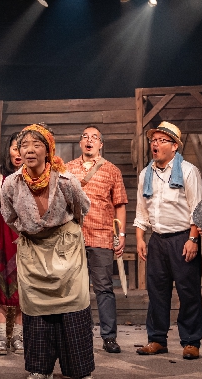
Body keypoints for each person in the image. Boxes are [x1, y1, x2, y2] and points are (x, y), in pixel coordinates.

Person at [0, 123, 94, 379]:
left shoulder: (66, 181)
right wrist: (31, 234)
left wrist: (65, 235)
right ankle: (40, 369)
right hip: (33, 252)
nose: (29, 150)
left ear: (48, 150)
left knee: (73, 308)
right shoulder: (11, 184)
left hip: (66, 251)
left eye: (36, 145)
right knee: (36, 311)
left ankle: (78, 370)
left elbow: (82, 208)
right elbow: (9, 216)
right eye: (24, 145)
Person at [134, 121, 202, 360]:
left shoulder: (188, 171)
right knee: (157, 292)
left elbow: (197, 209)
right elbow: (142, 210)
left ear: (174, 146)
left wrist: (193, 239)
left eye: (161, 140)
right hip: (157, 240)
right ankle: (157, 339)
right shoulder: (146, 174)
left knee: (188, 292)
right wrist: (140, 238)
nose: (155, 144)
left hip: (182, 238)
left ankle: (191, 341)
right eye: (153, 140)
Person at [65, 126, 127, 354]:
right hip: (73, 237)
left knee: (104, 288)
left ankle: (109, 337)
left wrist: (121, 235)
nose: (89, 140)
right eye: (85, 137)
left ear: (101, 144)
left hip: (101, 236)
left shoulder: (112, 170)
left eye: (94, 138)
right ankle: (78, 335)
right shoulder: (68, 169)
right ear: (80, 143)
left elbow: (120, 205)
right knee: (75, 289)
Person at [0, 133, 24, 355]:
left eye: (22, 148)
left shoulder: (32, 174)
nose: (18, 153)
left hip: (24, 238)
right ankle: (1, 337)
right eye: (15, 148)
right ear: (8, 149)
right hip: (1, 235)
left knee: (23, 287)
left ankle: (17, 337)